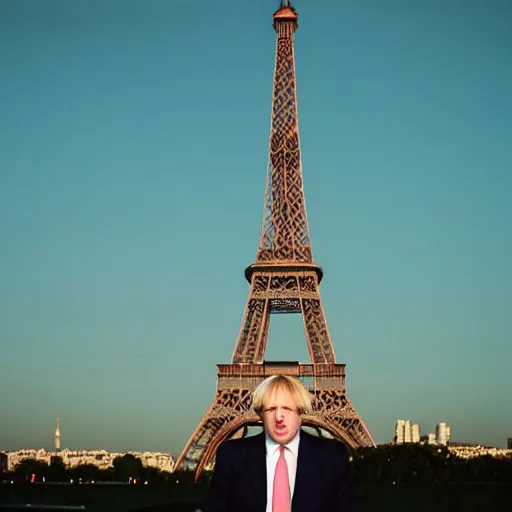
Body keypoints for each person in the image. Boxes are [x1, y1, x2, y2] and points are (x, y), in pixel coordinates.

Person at [203, 375, 358, 512]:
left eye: (287, 409)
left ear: (300, 412)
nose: (279, 417)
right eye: (271, 409)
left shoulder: (332, 456)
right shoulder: (231, 455)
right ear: (260, 415)